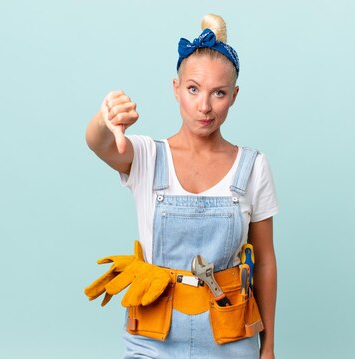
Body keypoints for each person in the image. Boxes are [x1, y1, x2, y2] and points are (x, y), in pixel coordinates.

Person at [85, 14, 279, 359]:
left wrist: (269, 348)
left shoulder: (252, 167)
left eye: (218, 93)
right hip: (152, 336)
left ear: (233, 96)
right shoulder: (147, 156)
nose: (204, 106)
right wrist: (104, 120)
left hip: (231, 336)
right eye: (193, 89)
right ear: (176, 89)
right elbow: (99, 144)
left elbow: (263, 261)